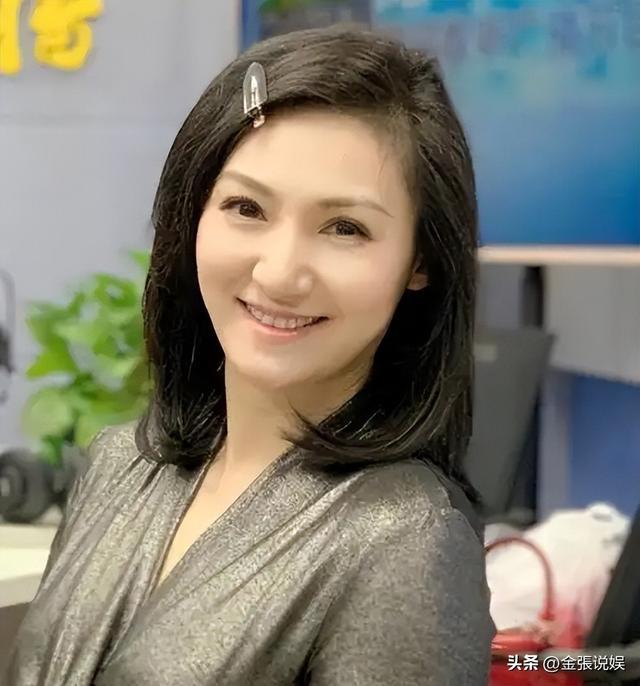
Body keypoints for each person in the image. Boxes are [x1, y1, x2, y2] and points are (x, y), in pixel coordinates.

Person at [5, 24, 495, 685]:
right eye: (246, 207)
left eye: (344, 227)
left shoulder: (405, 539)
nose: (279, 271)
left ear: (421, 261)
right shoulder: (121, 464)